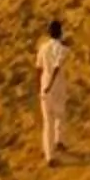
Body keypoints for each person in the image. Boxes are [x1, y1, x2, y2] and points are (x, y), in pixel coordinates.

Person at [36, 18, 69, 167]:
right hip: (56, 87)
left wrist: (41, 86)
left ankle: (49, 155)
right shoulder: (62, 49)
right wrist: (50, 85)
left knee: (47, 122)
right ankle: (59, 141)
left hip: (44, 87)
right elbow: (56, 67)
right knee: (60, 115)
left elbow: (38, 68)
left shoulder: (43, 48)